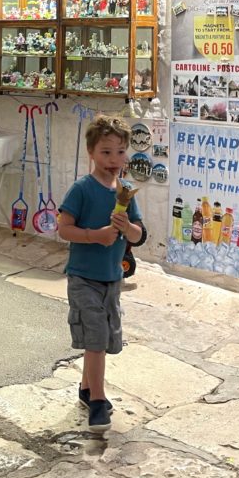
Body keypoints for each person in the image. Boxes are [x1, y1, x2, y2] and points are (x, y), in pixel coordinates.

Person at [57, 114, 145, 432]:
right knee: (95, 340)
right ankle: (97, 400)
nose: (114, 159)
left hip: (112, 279)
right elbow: (64, 229)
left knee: (104, 338)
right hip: (83, 276)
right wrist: (97, 235)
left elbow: (139, 236)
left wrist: (127, 228)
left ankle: (85, 388)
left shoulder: (126, 191)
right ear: (91, 153)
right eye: (106, 152)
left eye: (120, 152)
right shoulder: (82, 189)